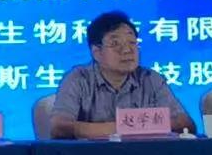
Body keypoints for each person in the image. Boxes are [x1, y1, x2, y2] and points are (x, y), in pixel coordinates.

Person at [49, 10, 195, 139]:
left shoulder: (151, 79)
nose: (127, 50)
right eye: (115, 44)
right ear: (97, 53)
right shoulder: (78, 79)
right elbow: (59, 127)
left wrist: (128, 127)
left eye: (132, 42)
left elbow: (185, 124)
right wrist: (126, 127)